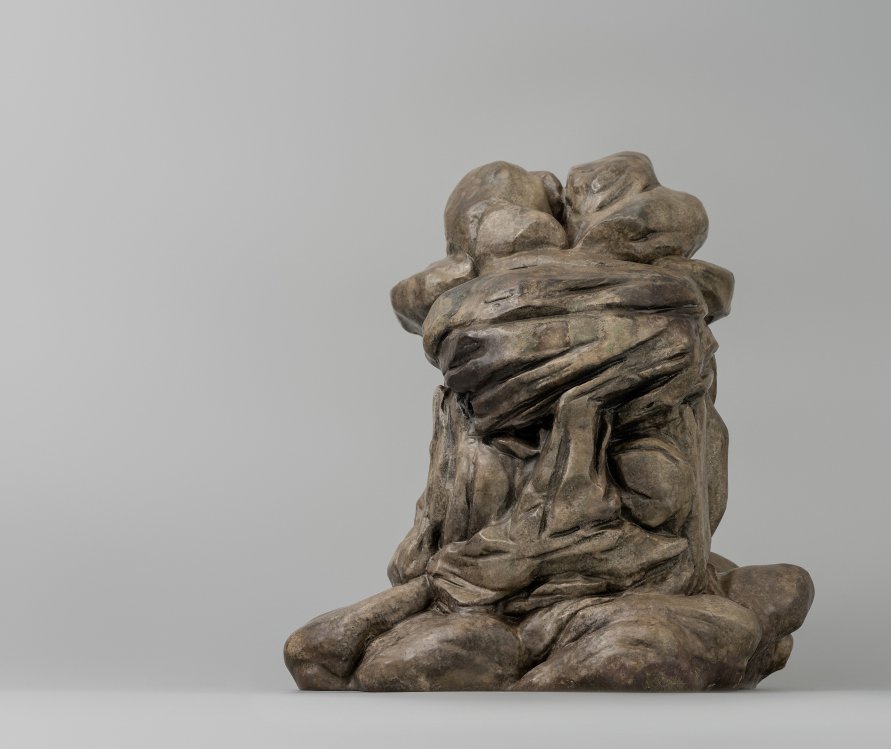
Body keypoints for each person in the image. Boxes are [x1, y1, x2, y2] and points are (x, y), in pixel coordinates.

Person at [285, 153, 812, 691]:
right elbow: (421, 301)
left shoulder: (655, 289)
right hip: (529, 338)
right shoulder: (659, 298)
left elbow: (420, 298)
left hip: (528, 342)